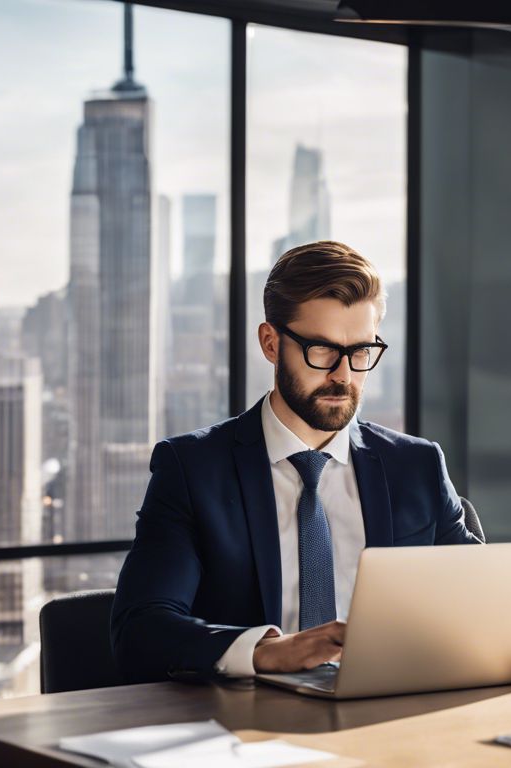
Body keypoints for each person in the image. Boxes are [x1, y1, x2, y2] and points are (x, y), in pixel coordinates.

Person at [111, 240, 481, 683]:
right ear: (271, 343)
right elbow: (141, 628)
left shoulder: (416, 467)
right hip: (247, 732)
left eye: (360, 352)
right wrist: (267, 652)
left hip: (391, 720)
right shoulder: (193, 469)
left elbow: (485, 606)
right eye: (322, 350)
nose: (343, 375)